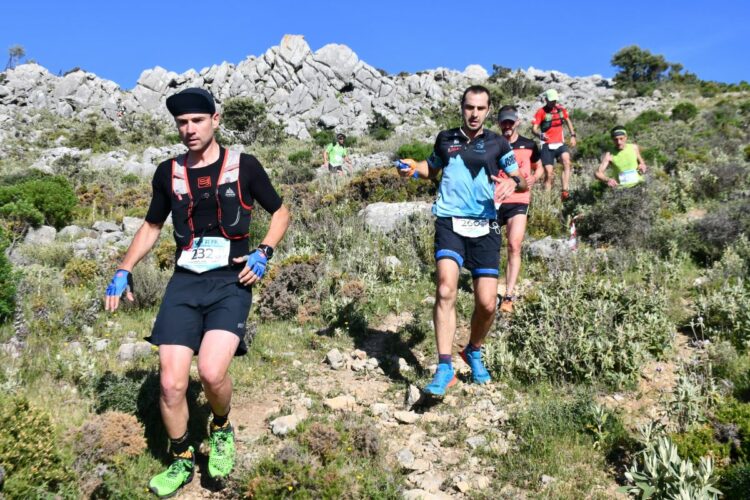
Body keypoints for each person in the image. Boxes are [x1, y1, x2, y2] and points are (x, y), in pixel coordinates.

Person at [104, 87, 290, 497]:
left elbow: (280, 212)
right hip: (185, 282)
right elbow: (152, 226)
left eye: (197, 121)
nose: (189, 129)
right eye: (182, 123)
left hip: (232, 280)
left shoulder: (244, 166)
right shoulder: (167, 172)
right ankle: (182, 457)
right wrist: (124, 268)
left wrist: (265, 252)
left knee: (210, 372)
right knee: (171, 384)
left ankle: (221, 426)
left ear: (215, 120)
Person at [398, 85, 526, 397]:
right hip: (449, 221)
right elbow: (431, 170)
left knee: (486, 302)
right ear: (462, 107)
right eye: (470, 107)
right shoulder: (445, 138)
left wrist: (512, 183)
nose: (474, 114)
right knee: (445, 288)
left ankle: (474, 350)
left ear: (488, 110)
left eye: (481, 109)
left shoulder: (497, 143)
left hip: (485, 226)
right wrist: (413, 168)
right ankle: (444, 366)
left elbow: (521, 177)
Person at [494, 105, 543, 313]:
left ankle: (508, 295)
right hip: (495, 200)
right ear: (499, 123)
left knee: (514, 245)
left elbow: (538, 165)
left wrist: (534, 177)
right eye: (503, 122)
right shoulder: (492, 144)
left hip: (520, 199)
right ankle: (486, 287)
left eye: (510, 122)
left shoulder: (529, 144)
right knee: (489, 247)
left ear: (517, 122)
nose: (507, 126)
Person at [531, 89, 577, 200]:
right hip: (547, 145)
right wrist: (540, 135)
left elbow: (568, 121)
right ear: (546, 100)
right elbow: (534, 129)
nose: (553, 102)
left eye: (555, 100)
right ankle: (546, 201)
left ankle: (565, 191)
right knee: (549, 174)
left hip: (560, 143)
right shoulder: (541, 112)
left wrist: (573, 135)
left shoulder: (561, 110)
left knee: (567, 162)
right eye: (551, 100)